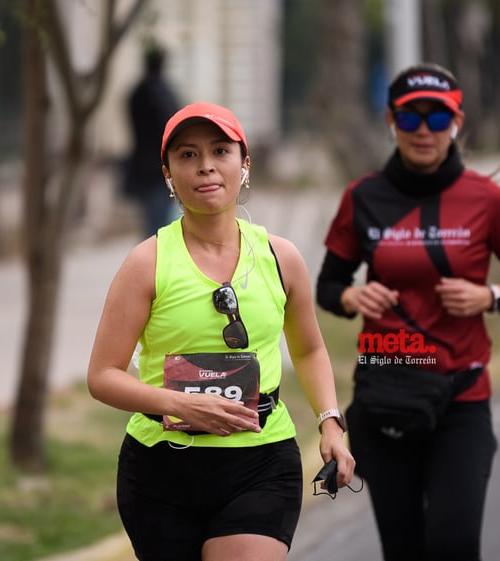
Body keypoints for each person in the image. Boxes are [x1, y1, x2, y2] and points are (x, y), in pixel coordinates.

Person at [87, 101, 355, 561]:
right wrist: (179, 404)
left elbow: (309, 349)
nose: (206, 165)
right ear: (168, 174)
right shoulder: (146, 263)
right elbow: (103, 375)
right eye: (187, 155)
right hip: (161, 468)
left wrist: (330, 422)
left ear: (244, 164)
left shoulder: (280, 257)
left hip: (262, 461)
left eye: (220, 150)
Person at [316, 63, 500, 560]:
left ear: (457, 122)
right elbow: (327, 287)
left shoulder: (485, 200)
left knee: (454, 543)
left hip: (460, 398)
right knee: (404, 549)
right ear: (390, 121)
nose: (424, 130)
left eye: (438, 118)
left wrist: (489, 296)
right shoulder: (362, 198)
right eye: (411, 117)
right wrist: (352, 297)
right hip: (387, 390)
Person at [123, 46, 182, 238]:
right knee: (158, 227)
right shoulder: (162, 93)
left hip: (144, 166)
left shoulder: (137, 92)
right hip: (158, 167)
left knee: (154, 222)